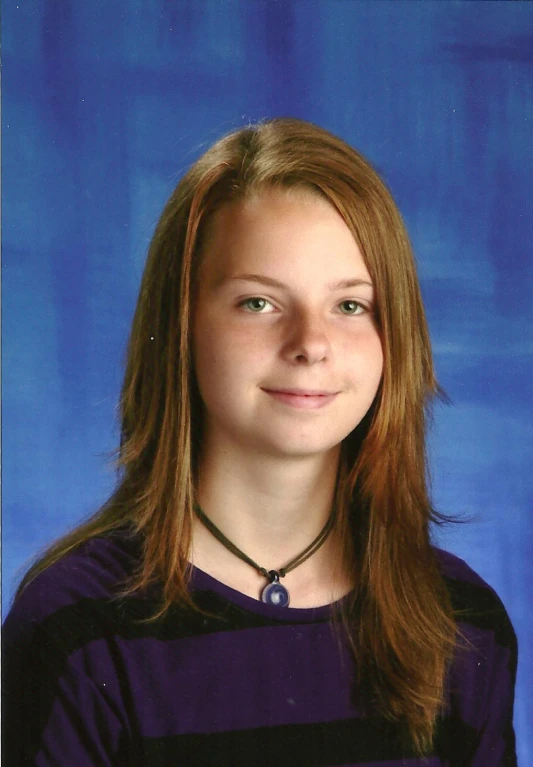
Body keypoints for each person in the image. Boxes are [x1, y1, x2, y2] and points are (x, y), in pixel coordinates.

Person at [2, 118, 517, 767]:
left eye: (351, 305)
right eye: (258, 302)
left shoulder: (462, 624)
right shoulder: (76, 627)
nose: (310, 343)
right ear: (182, 323)